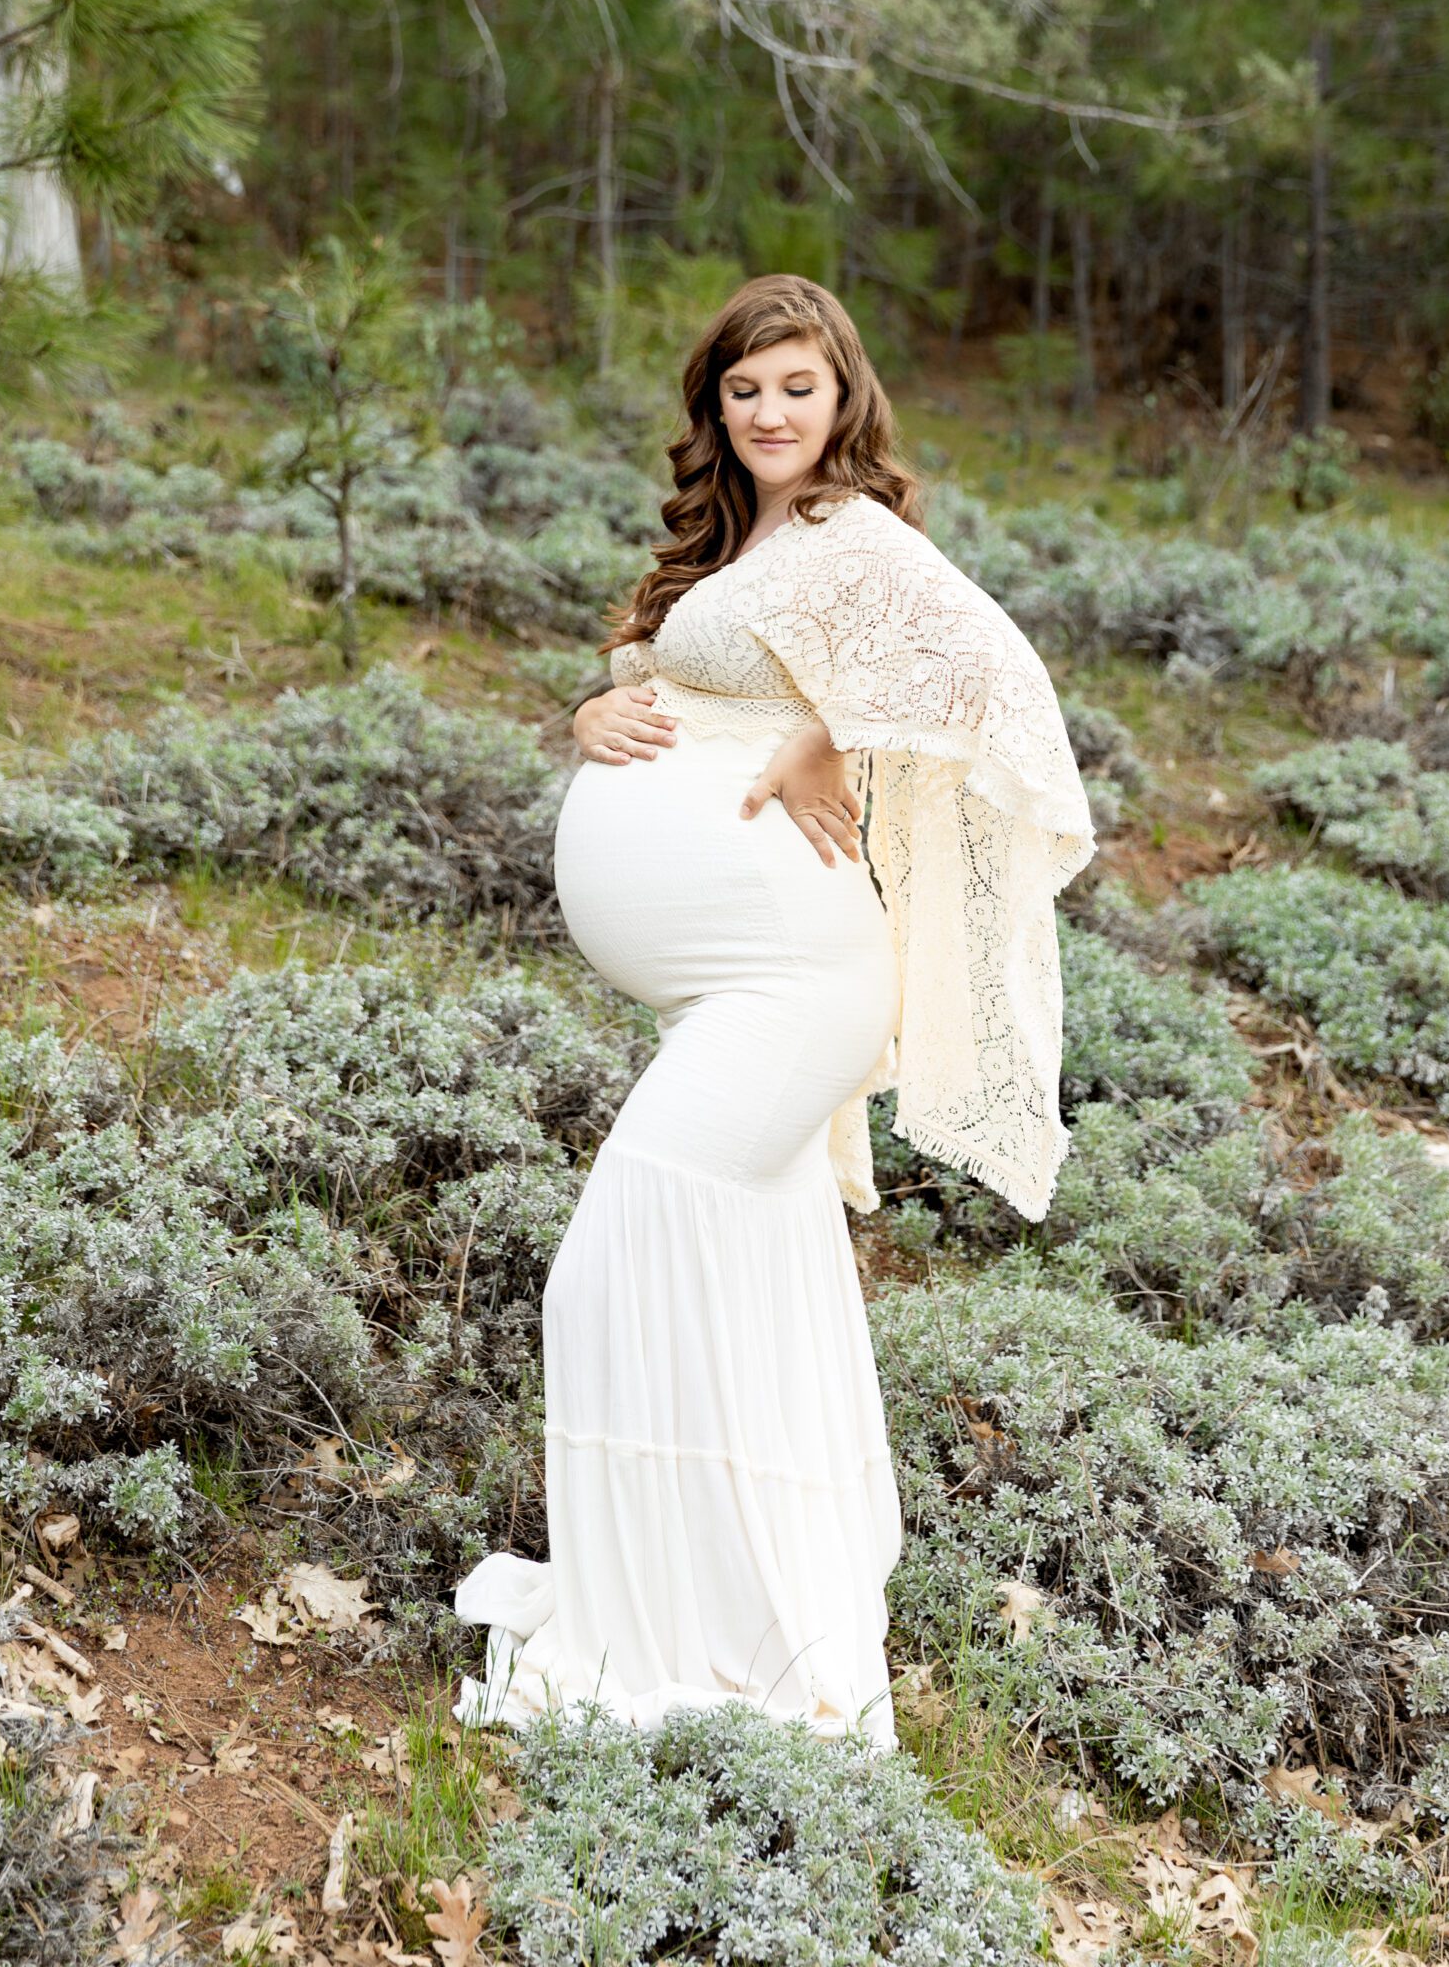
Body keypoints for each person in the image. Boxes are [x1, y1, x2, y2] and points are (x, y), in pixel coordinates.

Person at [453, 274, 1094, 1746]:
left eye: (797, 387)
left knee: (608, 1274)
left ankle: (678, 1634)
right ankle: (743, 1614)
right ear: (715, 407)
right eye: (744, 391)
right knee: (733, 1292)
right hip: (730, 981)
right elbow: (673, 682)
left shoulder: (850, 534)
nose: (769, 414)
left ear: (843, 395)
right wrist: (590, 715)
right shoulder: (741, 539)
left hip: (794, 976)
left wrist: (830, 732)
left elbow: (994, 678)